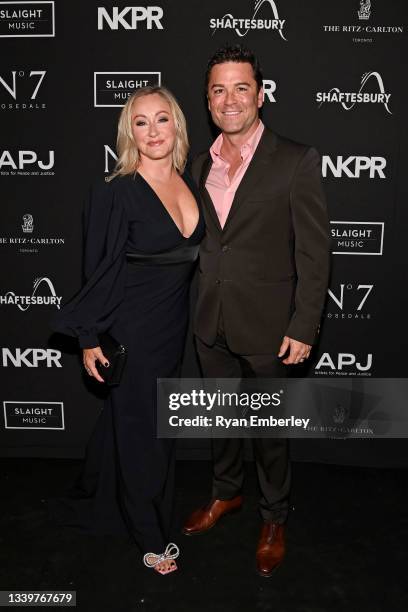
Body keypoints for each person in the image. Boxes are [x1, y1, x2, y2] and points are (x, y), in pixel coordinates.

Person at [182, 45, 330, 577]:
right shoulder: (200, 163)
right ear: (208, 99)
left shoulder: (295, 160)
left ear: (260, 95)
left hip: (271, 326)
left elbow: (315, 253)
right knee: (221, 419)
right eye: (218, 89)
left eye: (241, 87)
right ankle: (226, 494)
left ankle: (273, 515)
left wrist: (304, 324)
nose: (230, 99)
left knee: (269, 430)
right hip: (211, 320)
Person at [50, 85, 204, 575]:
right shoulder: (114, 190)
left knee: (149, 425)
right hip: (133, 330)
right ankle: (150, 536)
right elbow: (95, 269)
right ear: (128, 131)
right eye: (141, 122)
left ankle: (104, 496)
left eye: (162, 119)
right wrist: (91, 337)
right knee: (143, 432)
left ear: (177, 125)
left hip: (173, 326)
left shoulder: (189, 181)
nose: (153, 131)